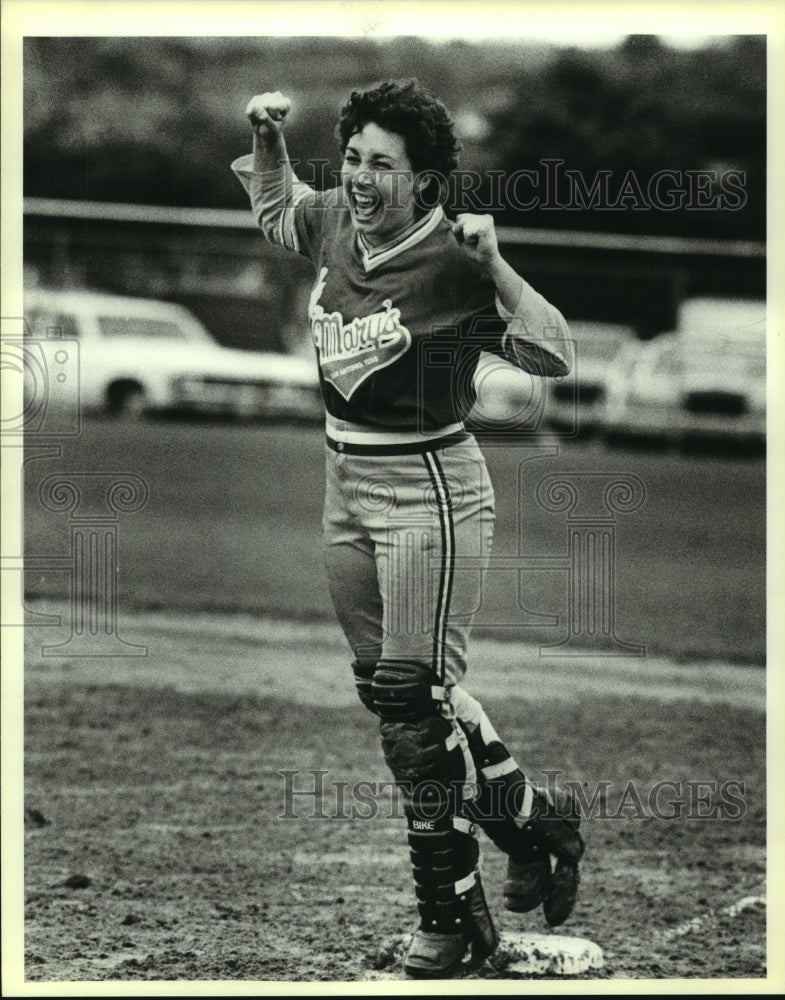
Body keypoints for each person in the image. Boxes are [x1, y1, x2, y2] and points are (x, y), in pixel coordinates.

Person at [232, 79, 584, 979]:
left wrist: (496, 262)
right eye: (352, 159)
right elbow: (278, 212)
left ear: (426, 182)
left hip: (431, 486)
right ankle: (535, 820)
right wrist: (272, 141)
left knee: (410, 701)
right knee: (391, 696)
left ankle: (447, 916)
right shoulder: (338, 225)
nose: (358, 178)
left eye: (381, 166)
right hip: (343, 480)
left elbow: (551, 352)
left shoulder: (452, 258)